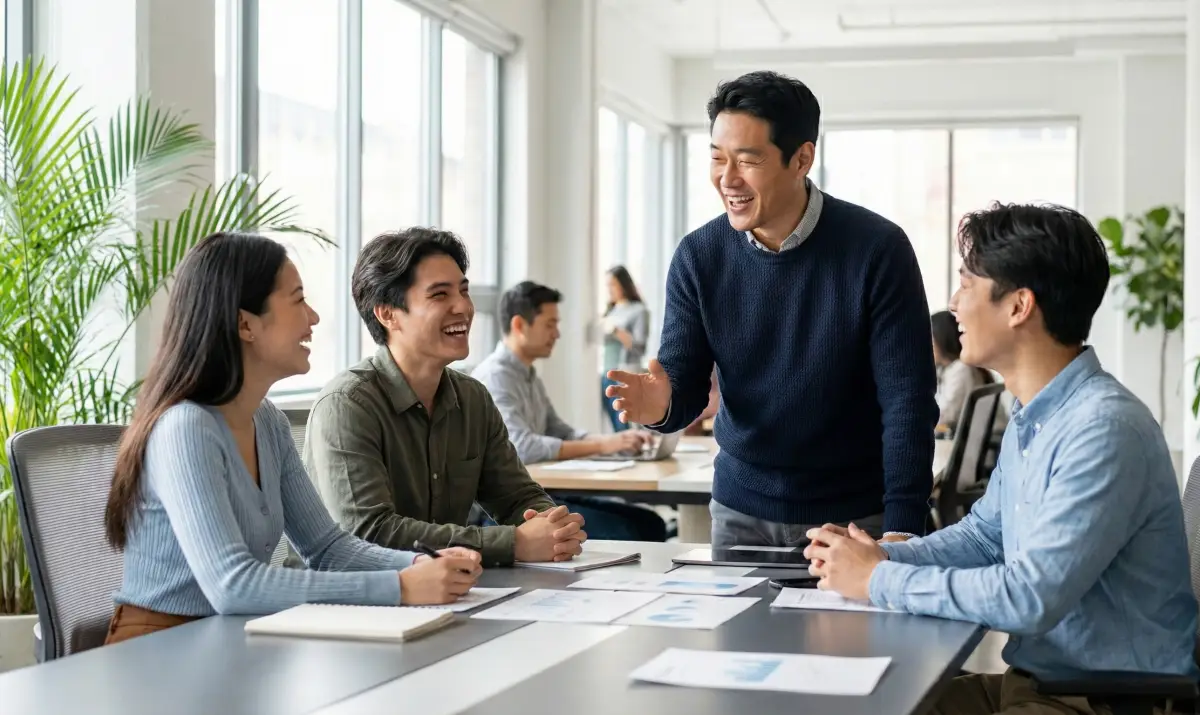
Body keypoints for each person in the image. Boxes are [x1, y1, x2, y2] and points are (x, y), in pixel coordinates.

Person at [805, 203, 1199, 714]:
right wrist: (881, 555)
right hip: (1039, 684)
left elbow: (1029, 596)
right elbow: (984, 536)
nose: (952, 304)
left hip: (1101, 701)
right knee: (857, 703)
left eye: (966, 282)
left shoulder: (1103, 430)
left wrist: (878, 580)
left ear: (1018, 306)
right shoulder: (1036, 414)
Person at [606, 70, 938, 546]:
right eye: (717, 159)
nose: (727, 179)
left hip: (853, 520)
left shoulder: (877, 249)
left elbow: (907, 399)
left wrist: (904, 525)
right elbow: (683, 387)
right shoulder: (698, 256)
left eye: (747, 160)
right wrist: (663, 407)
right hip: (741, 511)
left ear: (802, 158)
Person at [102, 232, 482, 645]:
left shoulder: (267, 421)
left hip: (233, 637)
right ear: (245, 323)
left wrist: (420, 563)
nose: (313, 317)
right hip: (158, 648)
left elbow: (327, 548)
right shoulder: (185, 428)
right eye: (298, 300)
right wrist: (401, 587)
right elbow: (233, 585)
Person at [304, 228, 587, 569]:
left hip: (450, 591)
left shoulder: (472, 398)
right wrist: (513, 543)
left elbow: (516, 496)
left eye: (464, 291)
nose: (463, 307)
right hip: (359, 606)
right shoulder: (347, 405)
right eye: (440, 295)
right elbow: (368, 533)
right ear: (387, 314)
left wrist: (552, 527)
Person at [472, 281, 668, 542]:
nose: (557, 334)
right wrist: (605, 445)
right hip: (507, 511)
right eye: (550, 324)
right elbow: (522, 447)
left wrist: (615, 443)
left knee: (650, 523)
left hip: (542, 494)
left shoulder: (527, 374)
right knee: (630, 532)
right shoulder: (496, 377)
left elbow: (559, 430)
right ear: (519, 325)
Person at [931, 309, 1007, 435]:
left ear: (942, 339)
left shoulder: (961, 369)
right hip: (981, 441)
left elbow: (943, 415)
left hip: (987, 443)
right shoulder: (948, 370)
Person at [599, 266, 650, 432]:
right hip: (606, 373)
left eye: (613, 284)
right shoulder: (609, 312)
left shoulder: (638, 311)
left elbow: (639, 347)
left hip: (625, 373)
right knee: (614, 425)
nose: (609, 290)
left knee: (627, 423)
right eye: (607, 285)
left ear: (623, 284)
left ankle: (634, 455)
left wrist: (615, 330)